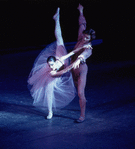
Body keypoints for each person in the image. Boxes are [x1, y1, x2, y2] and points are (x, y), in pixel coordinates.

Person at [27, 8, 76, 119]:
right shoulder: (51, 71)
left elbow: (72, 53)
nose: (50, 66)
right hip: (58, 70)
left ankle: (56, 19)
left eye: (51, 64)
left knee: (59, 38)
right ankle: (50, 112)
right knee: (49, 89)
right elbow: (65, 69)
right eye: (49, 65)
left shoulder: (60, 58)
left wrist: (82, 49)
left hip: (61, 60)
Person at [71, 4, 96, 123]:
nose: (84, 39)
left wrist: (79, 58)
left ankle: (82, 115)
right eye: (84, 36)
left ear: (90, 39)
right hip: (72, 68)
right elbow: (82, 24)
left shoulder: (89, 47)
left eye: (87, 38)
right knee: (77, 91)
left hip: (81, 69)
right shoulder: (80, 37)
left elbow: (85, 54)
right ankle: (83, 103)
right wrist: (81, 11)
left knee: (81, 93)